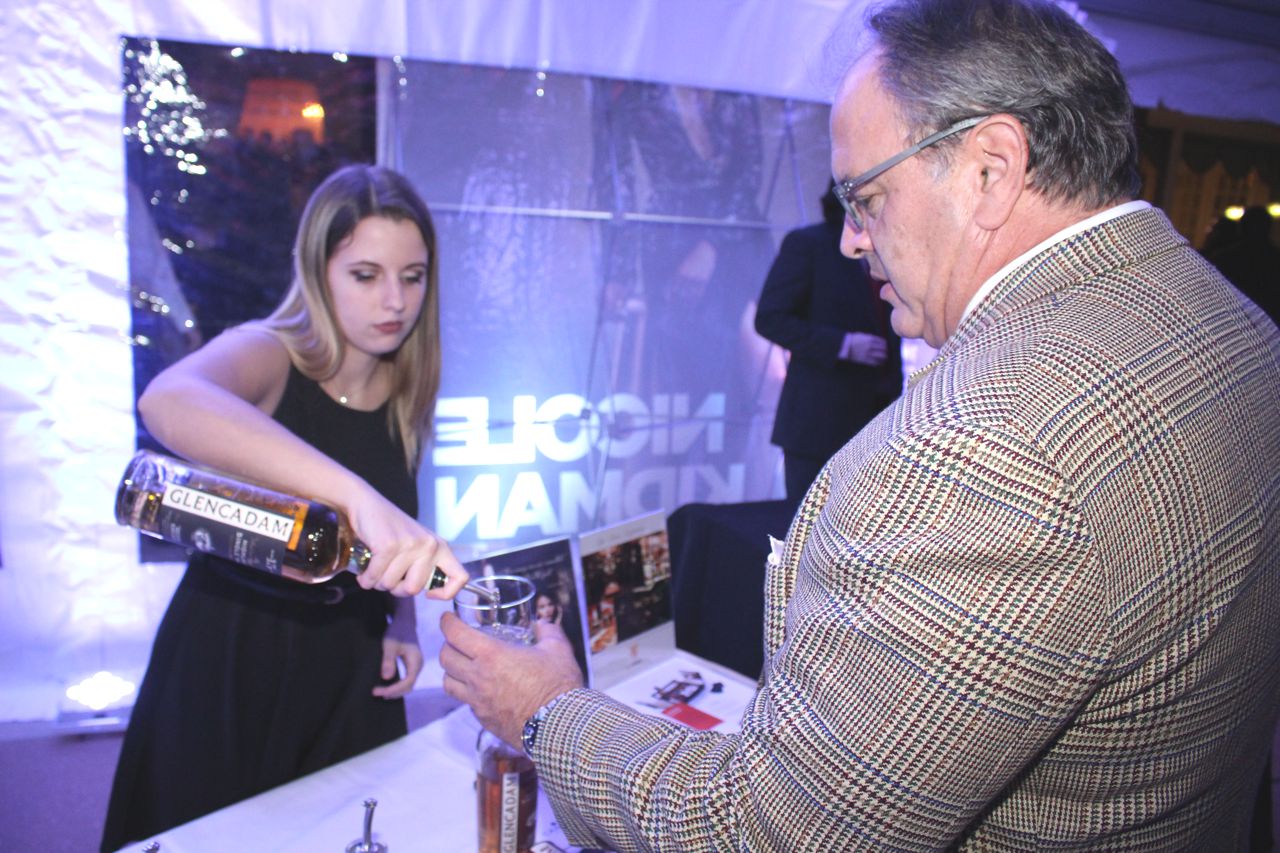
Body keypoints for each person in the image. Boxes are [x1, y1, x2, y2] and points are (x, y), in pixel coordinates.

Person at [435, 1, 1280, 849]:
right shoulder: (1236, 325)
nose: (850, 239)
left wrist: (546, 709)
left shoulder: (978, 447)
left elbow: (768, 834)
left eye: (865, 197)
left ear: (991, 170)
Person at [101, 164, 469, 851]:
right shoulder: (269, 353)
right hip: (239, 649)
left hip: (349, 656)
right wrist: (352, 495)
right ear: (318, 272)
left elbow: (389, 524)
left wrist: (401, 622)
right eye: (365, 275)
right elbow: (167, 400)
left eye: (413, 276)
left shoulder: (406, 383)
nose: (394, 300)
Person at [754, 181, 902, 504]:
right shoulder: (810, 244)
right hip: (818, 422)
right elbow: (769, 318)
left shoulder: (891, 245)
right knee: (807, 524)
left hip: (879, 420)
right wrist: (843, 345)